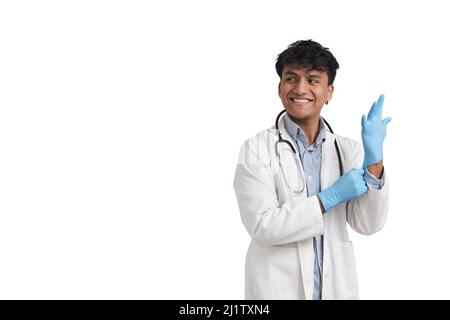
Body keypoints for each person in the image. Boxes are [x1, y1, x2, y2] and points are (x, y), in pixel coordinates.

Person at [233, 40, 391, 300]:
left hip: (335, 290)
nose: (300, 88)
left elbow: (369, 224)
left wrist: (375, 161)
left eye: (313, 80)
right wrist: (327, 199)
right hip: (277, 291)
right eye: (291, 78)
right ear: (280, 88)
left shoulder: (347, 151)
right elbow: (261, 226)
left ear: (329, 92)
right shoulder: (256, 149)